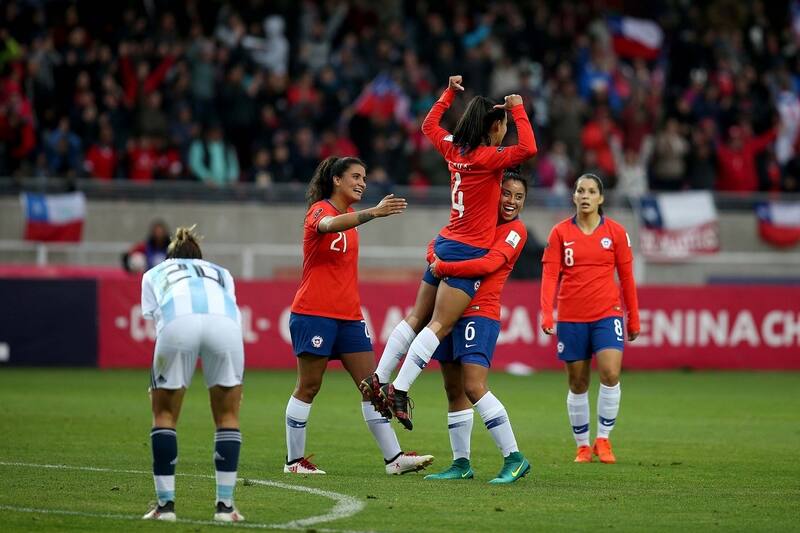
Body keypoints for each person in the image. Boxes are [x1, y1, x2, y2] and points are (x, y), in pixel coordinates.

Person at [366, 75, 537, 430]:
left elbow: (429, 124)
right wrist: (518, 107)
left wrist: (447, 94)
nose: (505, 130)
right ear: (494, 127)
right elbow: (529, 149)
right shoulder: (489, 157)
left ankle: (378, 378)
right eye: (503, 125)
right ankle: (399, 389)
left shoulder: (452, 147)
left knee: (415, 317)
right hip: (466, 251)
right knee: (439, 325)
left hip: (445, 240)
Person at [285, 156, 434, 475]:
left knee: (372, 386)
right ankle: (294, 462)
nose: (362, 183)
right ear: (336, 180)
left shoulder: (352, 217)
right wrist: (374, 213)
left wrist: (366, 215)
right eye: (355, 176)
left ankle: (394, 460)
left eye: (364, 177)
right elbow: (327, 226)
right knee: (308, 386)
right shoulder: (321, 210)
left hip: (349, 317)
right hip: (313, 313)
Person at [423, 170, 531, 483]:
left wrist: (442, 266)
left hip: (480, 312)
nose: (511, 201)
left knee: (474, 386)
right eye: (507, 193)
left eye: (518, 196)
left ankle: (514, 457)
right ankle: (461, 464)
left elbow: (489, 265)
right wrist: (435, 256)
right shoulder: (476, 221)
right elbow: (438, 241)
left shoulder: (516, 231)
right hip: (451, 311)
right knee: (453, 389)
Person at [140, 226, 245, 522]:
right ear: (201, 257)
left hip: (178, 321)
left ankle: (166, 507)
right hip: (225, 325)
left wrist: (160, 383)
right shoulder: (222, 273)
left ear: (171, 256)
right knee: (228, 416)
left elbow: (156, 318)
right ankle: (225, 508)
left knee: (164, 415)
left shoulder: (155, 272)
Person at [539, 174, 640, 464]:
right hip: (571, 316)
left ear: (601, 198)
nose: (585, 195)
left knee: (610, 373)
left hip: (607, 314)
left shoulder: (617, 233)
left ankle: (603, 440)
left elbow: (627, 277)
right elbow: (549, 276)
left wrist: (633, 318)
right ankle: (583, 445)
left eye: (591, 191)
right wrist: (548, 312)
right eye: (580, 190)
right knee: (578, 382)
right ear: (573, 197)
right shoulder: (559, 233)